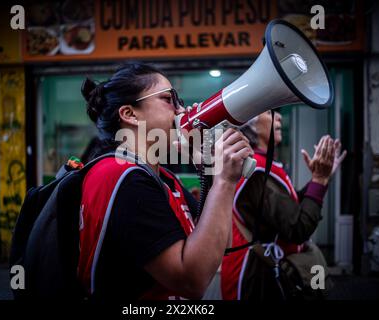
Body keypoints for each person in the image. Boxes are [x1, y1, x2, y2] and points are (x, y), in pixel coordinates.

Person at [77, 62, 253, 300]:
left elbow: (221, 244)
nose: (181, 111)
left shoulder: (164, 178)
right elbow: (192, 281)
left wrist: (209, 169)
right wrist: (224, 181)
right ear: (129, 114)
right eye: (169, 99)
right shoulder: (122, 177)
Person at [221, 110, 347, 300]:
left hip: (265, 270)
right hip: (256, 278)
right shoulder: (255, 171)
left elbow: (289, 207)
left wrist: (320, 180)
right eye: (270, 113)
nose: (279, 116)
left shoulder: (259, 164)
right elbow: (297, 227)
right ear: (250, 125)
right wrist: (319, 179)